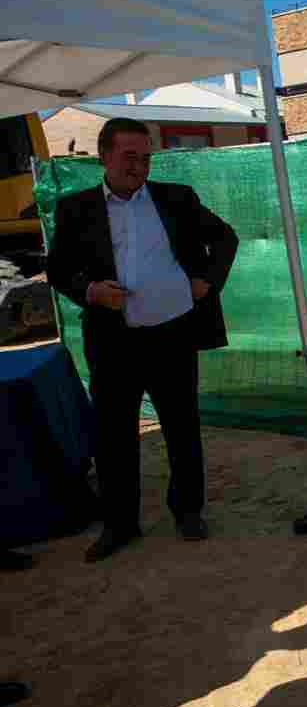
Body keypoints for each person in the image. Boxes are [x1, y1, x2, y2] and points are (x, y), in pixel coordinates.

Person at [47, 118, 239, 563]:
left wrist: (206, 282)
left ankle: (188, 510)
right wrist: (89, 291)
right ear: (105, 156)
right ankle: (120, 524)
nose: (139, 165)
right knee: (113, 436)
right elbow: (58, 269)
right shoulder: (76, 209)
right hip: (114, 342)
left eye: (146, 156)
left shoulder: (176, 198)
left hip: (173, 334)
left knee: (182, 426)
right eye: (130, 156)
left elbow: (224, 238)